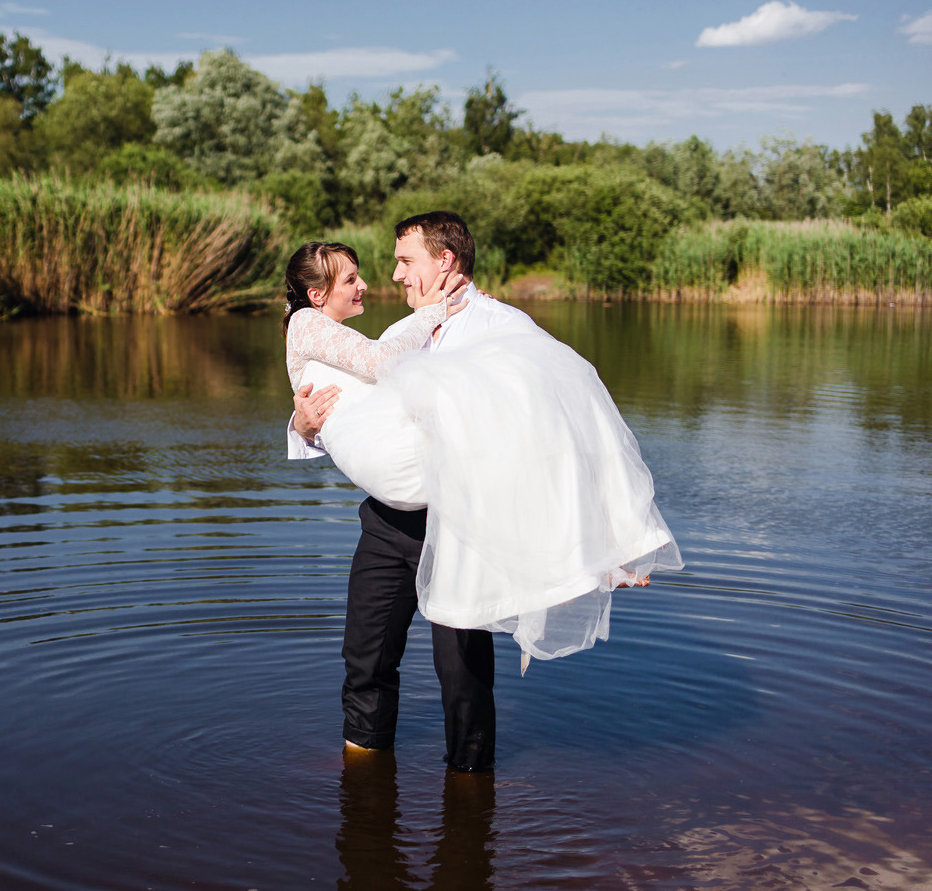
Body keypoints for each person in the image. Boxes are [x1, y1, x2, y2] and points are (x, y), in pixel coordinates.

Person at [284, 212, 681, 773]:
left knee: (462, 673)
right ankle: (364, 776)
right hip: (387, 524)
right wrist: (300, 428)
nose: (393, 276)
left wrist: (614, 530)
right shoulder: (402, 328)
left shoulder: (498, 324)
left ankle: (470, 790)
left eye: (405, 261)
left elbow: (569, 410)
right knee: (366, 658)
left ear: (443, 261)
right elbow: (358, 412)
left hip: (459, 521)